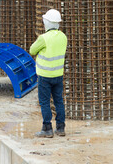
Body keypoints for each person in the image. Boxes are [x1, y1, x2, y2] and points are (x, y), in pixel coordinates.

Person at [29, 9, 68, 138]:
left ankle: (47, 129)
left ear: (47, 23)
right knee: (59, 101)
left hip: (45, 76)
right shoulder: (63, 37)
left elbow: (32, 50)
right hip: (58, 75)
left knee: (45, 102)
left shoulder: (44, 38)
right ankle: (60, 128)